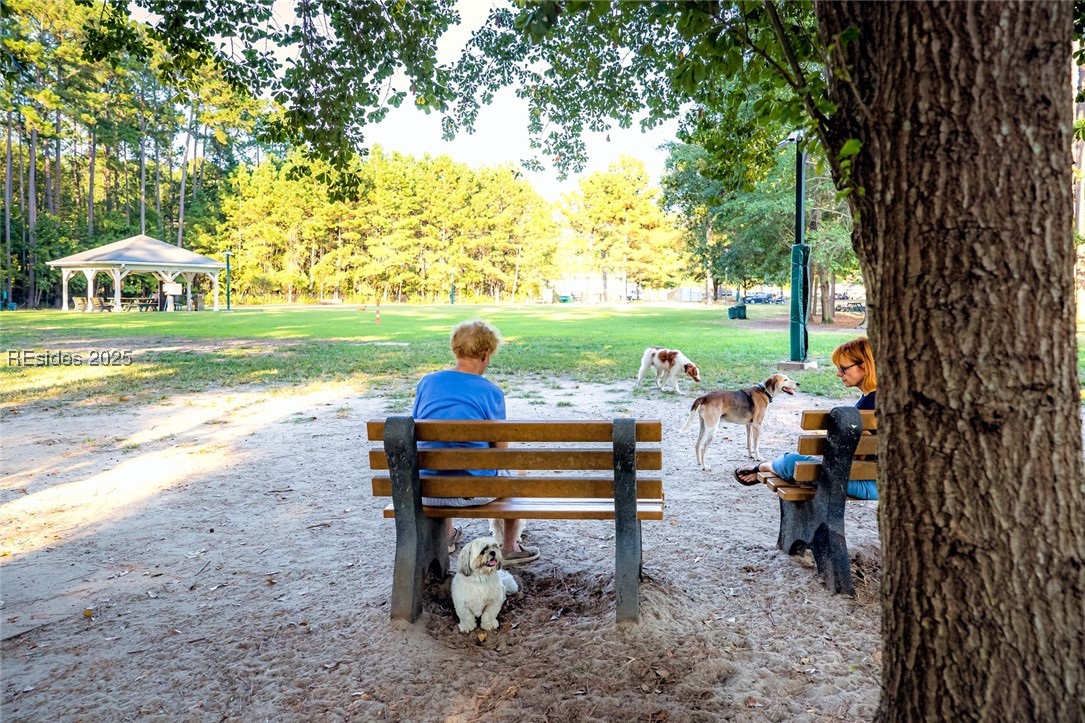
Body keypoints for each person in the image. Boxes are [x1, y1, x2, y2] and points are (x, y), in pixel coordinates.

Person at [410, 319, 540, 565]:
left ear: (455, 350)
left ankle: (447, 536)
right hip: (476, 492)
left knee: (444, 455)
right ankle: (510, 547)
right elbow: (501, 452)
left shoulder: (427, 383)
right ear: (485, 354)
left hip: (429, 490)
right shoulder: (491, 392)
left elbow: (418, 430)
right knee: (516, 469)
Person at [732, 336, 878, 500]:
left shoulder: (864, 410)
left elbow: (853, 461)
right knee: (805, 465)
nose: (838, 374)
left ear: (865, 366)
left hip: (868, 485)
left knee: (792, 462)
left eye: (843, 369)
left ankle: (765, 467)